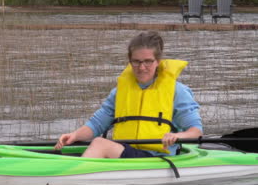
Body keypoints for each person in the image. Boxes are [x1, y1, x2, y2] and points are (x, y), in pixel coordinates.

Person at [55, 31, 202, 158]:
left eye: (148, 62)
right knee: (98, 143)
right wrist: (74, 135)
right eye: (136, 62)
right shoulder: (119, 92)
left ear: (158, 61)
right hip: (127, 153)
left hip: (157, 157)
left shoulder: (177, 91)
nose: (141, 67)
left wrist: (177, 136)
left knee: (100, 143)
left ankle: (74, 180)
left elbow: (195, 131)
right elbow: (96, 125)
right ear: (130, 61)